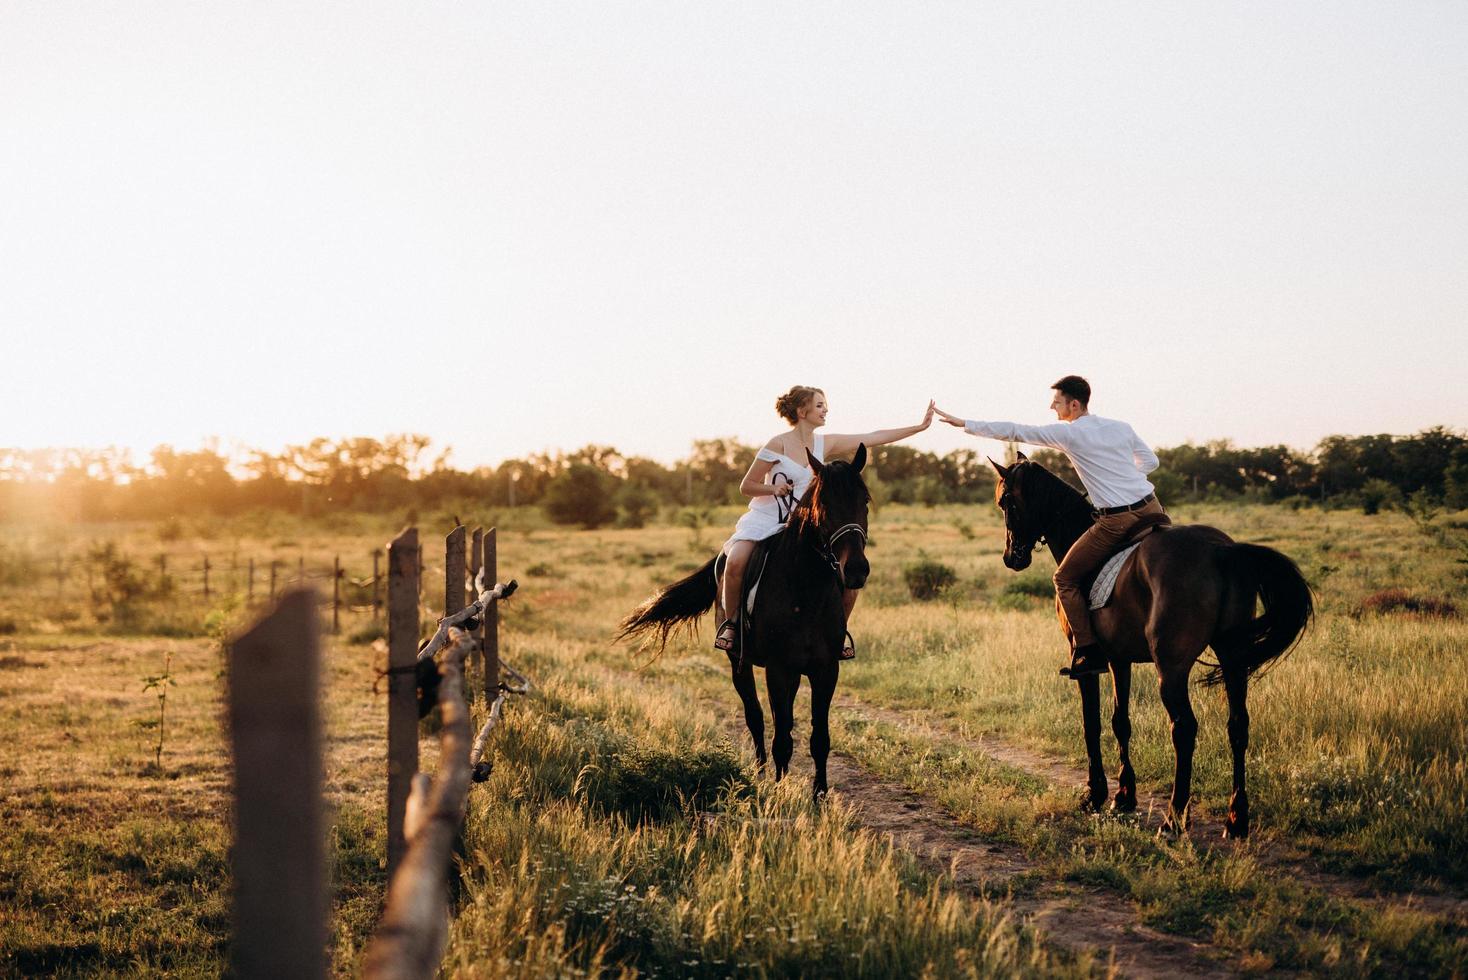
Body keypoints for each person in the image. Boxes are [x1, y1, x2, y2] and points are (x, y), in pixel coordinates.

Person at [934, 375, 1163, 679]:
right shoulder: (1121, 427)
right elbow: (1151, 462)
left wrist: (964, 423)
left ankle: (1087, 651)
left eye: (1056, 402)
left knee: (1064, 579)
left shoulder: (1071, 434)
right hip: (1153, 509)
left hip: (1116, 521)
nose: (1051, 407)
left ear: (1074, 404)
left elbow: (1017, 431)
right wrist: (1124, 477)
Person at [716, 387, 935, 658]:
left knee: (845, 574)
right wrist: (773, 490)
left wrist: (919, 427)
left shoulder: (824, 444)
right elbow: (745, 486)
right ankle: (732, 624)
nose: (825, 410)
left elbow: (873, 437)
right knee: (736, 561)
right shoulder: (777, 444)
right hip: (768, 519)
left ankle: (838, 632)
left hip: (807, 524)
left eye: (825, 405)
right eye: (819, 405)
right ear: (801, 411)